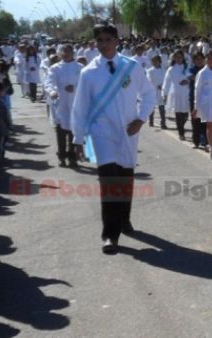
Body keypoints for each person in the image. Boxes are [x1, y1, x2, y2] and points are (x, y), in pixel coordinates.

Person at [70, 23, 157, 254]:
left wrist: (141, 119)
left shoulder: (132, 67)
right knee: (109, 181)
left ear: (117, 41)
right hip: (100, 133)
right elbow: (80, 108)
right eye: (99, 40)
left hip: (128, 132)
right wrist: (78, 139)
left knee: (125, 179)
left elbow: (149, 95)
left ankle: (124, 219)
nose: (104, 44)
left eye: (108, 39)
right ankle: (110, 235)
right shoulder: (88, 73)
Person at [45, 45, 82, 167]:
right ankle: (61, 156)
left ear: (73, 53)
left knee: (73, 133)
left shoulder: (80, 68)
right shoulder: (55, 68)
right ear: (60, 54)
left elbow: (85, 84)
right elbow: (49, 82)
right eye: (63, 52)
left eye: (68, 52)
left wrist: (75, 87)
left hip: (75, 105)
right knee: (60, 132)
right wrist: (52, 91)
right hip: (60, 105)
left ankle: (72, 157)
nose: (65, 54)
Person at [163, 51, 191, 140]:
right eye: (177, 57)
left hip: (186, 93)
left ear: (183, 58)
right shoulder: (171, 69)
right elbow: (166, 82)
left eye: (180, 57)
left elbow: (192, 77)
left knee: (186, 114)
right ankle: (181, 132)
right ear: (174, 58)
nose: (179, 59)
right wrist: (165, 94)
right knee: (178, 114)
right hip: (176, 93)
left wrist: (188, 81)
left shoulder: (186, 67)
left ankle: (180, 126)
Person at [187, 52, 207, 150]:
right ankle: (196, 141)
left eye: (201, 59)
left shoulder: (207, 70)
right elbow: (190, 76)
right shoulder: (191, 69)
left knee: (205, 120)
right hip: (194, 98)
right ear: (194, 61)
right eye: (197, 59)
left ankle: (205, 139)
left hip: (205, 98)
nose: (199, 61)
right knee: (195, 120)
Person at [146, 55, 167, 129]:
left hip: (161, 91)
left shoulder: (164, 70)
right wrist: (156, 85)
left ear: (160, 62)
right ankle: (151, 121)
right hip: (153, 90)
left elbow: (166, 80)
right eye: (153, 61)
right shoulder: (149, 71)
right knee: (152, 107)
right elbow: (149, 80)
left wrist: (163, 86)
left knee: (162, 107)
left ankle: (163, 123)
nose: (155, 62)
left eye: (156, 61)